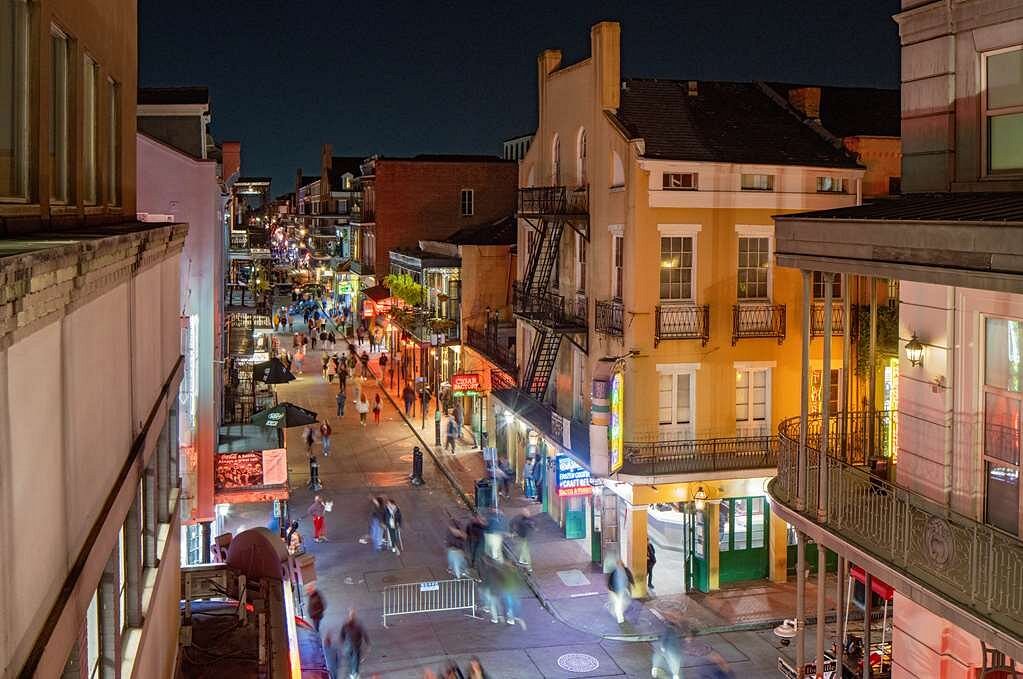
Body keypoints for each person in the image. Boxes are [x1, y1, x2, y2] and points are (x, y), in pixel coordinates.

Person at [339, 609, 368, 679]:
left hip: (350, 644)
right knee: (355, 660)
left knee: (351, 659)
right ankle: (355, 673)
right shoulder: (357, 624)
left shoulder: (346, 624)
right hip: (355, 645)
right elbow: (363, 633)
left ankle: (353, 673)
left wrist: (342, 642)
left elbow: (342, 634)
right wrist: (368, 642)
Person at [607, 559, 634, 624]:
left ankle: (617, 612)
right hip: (616, 591)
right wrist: (610, 589)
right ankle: (620, 618)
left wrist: (632, 584)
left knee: (624, 603)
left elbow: (630, 577)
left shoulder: (625, 570)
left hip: (623, 590)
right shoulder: (614, 572)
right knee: (618, 604)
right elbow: (609, 580)